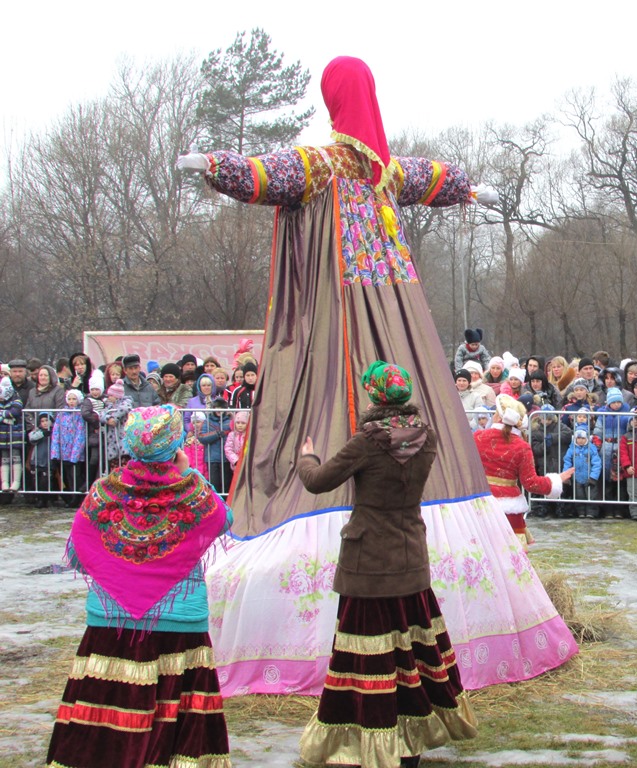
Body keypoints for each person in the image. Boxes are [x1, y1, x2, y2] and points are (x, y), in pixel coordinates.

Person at [177, 55, 578, 697]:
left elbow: (268, 174)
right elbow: (432, 177)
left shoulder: (333, 164)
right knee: (389, 382)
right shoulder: (371, 169)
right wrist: (470, 189)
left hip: (345, 300)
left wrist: (213, 167)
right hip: (389, 300)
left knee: (346, 390)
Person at [295, 362, 477, 767]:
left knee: (368, 658)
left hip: (368, 562)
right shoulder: (427, 437)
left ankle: (373, 739)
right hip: (410, 555)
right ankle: (411, 740)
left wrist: (307, 456)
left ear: (375, 396)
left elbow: (318, 480)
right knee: (409, 656)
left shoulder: (367, 441)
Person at [46, 405, 232, 768]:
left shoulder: (104, 491)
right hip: (178, 619)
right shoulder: (191, 491)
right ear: (175, 443)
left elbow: (81, 547)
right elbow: (223, 519)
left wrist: (121, 568)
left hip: (111, 619)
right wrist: (189, 471)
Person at [474, 393, 571, 544]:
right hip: (509, 506)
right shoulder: (522, 446)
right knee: (512, 556)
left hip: (480, 502)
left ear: (499, 417)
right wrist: (556, 480)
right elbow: (531, 483)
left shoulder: (478, 437)